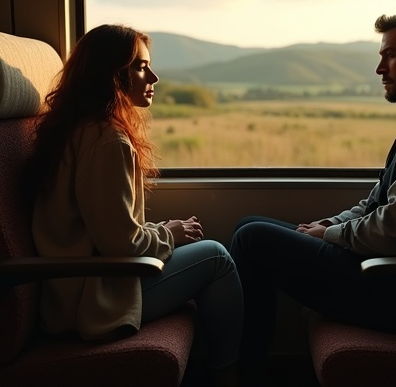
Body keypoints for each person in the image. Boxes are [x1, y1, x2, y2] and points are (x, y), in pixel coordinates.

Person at [229, 10, 396, 386]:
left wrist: (330, 237)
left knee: (251, 239)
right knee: (249, 226)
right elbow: (376, 202)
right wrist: (329, 225)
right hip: (389, 273)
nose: (380, 69)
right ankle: (249, 371)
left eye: (390, 55)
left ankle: (247, 376)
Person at [29, 24, 243, 386]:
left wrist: (162, 233)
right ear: (113, 75)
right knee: (217, 258)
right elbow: (122, 245)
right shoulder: (108, 141)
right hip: (89, 299)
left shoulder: (75, 127)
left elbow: (108, 230)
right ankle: (229, 375)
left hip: (69, 287)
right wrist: (170, 233)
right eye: (141, 67)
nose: (154, 76)